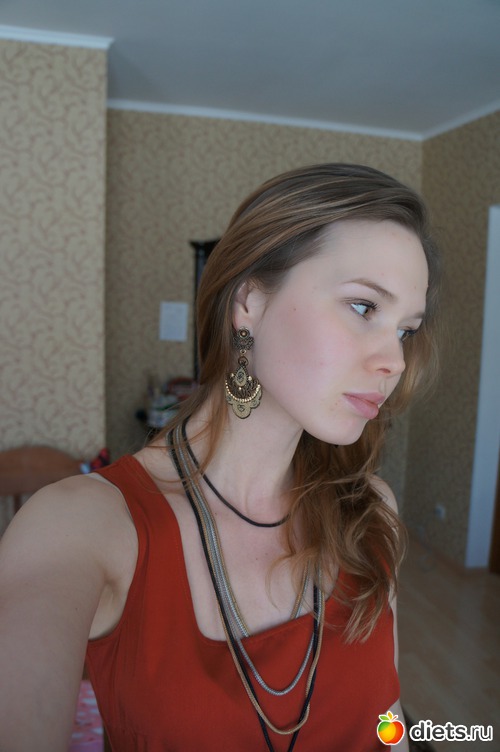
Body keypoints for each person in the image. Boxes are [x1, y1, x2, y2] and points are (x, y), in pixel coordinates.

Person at [0, 163, 440, 752]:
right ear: (249, 301)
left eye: (406, 330)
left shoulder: (369, 510)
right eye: (364, 307)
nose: (395, 361)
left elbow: (389, 725)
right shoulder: (84, 526)